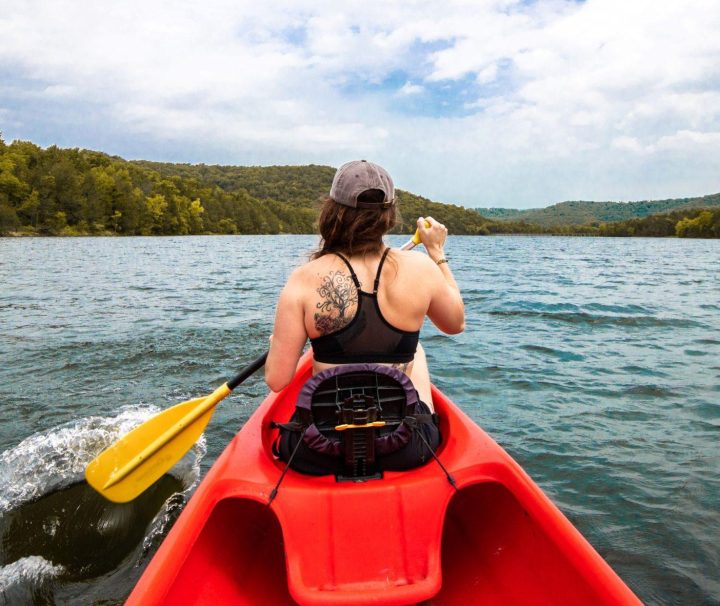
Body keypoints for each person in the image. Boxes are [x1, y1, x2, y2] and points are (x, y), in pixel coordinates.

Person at [266, 160, 464, 472]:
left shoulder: (304, 278)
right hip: (407, 446)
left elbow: (277, 381)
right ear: (389, 214)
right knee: (417, 350)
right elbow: (455, 324)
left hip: (319, 449)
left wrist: (279, 342)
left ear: (332, 211)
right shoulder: (421, 269)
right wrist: (437, 254)